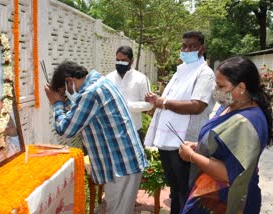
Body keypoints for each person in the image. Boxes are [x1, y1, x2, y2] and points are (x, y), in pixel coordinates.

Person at [44, 60, 148, 214]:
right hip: (123, 163)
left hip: (120, 166)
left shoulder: (91, 93)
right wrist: (63, 102)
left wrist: (57, 103)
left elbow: (65, 130)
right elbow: (80, 113)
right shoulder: (101, 82)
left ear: (69, 82)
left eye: (63, 92)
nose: (66, 97)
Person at [178, 56, 272, 213]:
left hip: (226, 199)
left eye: (221, 86)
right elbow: (223, 146)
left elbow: (230, 173)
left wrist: (192, 157)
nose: (216, 90)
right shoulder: (230, 106)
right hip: (210, 192)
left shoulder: (247, 122)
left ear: (241, 88)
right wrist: (199, 147)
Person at [144, 31, 215, 214]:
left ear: (202, 49)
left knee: (186, 189)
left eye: (192, 46)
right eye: (184, 46)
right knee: (175, 189)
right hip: (167, 140)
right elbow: (171, 99)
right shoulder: (181, 70)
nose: (187, 49)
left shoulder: (204, 74)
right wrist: (157, 100)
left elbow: (197, 105)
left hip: (184, 142)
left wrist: (164, 103)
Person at [106, 46, 153, 143]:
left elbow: (149, 104)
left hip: (134, 129)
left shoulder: (141, 79)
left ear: (131, 61)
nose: (120, 63)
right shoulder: (108, 78)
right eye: (117, 60)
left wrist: (125, 105)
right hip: (112, 130)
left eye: (123, 60)